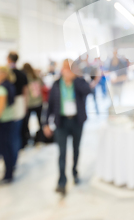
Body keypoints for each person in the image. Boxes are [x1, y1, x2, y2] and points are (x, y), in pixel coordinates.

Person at [43, 59, 91, 195]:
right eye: (65, 68)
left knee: (76, 149)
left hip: (77, 121)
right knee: (62, 152)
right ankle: (61, 181)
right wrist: (46, 123)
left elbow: (88, 91)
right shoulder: (57, 84)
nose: (67, 71)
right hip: (62, 122)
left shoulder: (79, 82)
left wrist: (76, 78)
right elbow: (50, 105)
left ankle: (75, 173)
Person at [0, 66, 17, 184]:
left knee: (4, 149)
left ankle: (8, 175)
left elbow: (0, 107)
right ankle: (9, 172)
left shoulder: (1, 88)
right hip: (9, 119)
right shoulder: (8, 85)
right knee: (8, 147)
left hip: (3, 121)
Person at [7, 52, 28, 158]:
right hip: (19, 101)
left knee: (14, 128)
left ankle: (15, 147)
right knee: (18, 125)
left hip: (11, 102)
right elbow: (25, 90)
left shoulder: (8, 73)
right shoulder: (21, 73)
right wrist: (25, 104)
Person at [22, 63, 44, 147]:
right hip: (38, 102)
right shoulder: (37, 77)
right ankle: (39, 139)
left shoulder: (26, 78)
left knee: (26, 123)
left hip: (30, 103)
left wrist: (25, 105)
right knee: (40, 121)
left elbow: (26, 92)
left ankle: (27, 139)